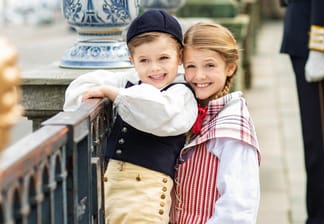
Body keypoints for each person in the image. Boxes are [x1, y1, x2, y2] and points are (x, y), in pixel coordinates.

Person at [63, 9, 198, 224]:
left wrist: (113, 93)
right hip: (112, 189)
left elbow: (159, 114)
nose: (154, 68)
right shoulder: (130, 82)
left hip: (146, 193)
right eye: (144, 60)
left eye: (164, 58)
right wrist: (103, 90)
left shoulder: (180, 93)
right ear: (131, 60)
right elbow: (81, 88)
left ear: (180, 57)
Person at [169, 22, 261, 224]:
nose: (198, 76)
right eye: (191, 66)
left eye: (210, 65)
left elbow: (238, 209)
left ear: (230, 67)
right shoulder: (191, 110)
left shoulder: (232, 128)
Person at [280, 1, 324, 223]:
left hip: (318, 39)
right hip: (308, 30)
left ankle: (322, 217)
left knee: (321, 143)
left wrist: (318, 45)